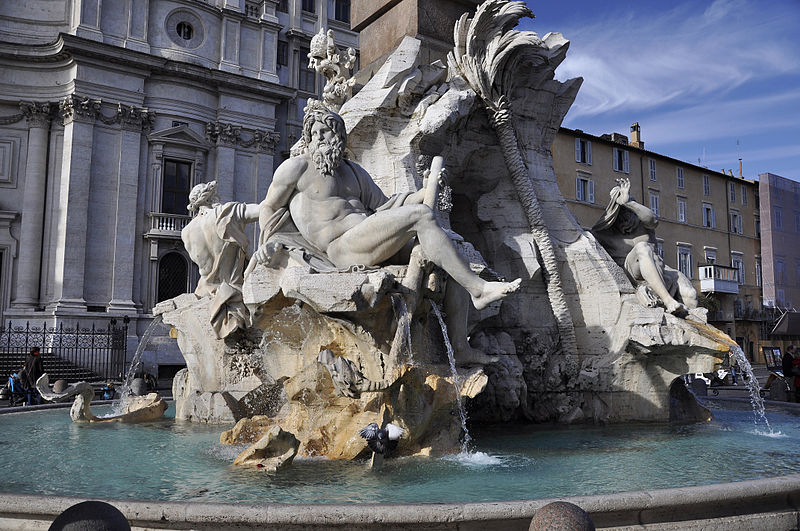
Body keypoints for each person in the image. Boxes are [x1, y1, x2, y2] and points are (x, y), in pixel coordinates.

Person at [252, 102, 521, 312]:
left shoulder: (354, 172)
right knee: (421, 214)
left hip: (368, 239)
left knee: (448, 249)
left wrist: (427, 190)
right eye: (314, 133)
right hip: (340, 248)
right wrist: (268, 242)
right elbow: (269, 207)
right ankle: (479, 290)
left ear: (339, 136)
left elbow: (386, 207)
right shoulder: (297, 167)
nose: (320, 138)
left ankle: (460, 346)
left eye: (326, 132)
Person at [591, 177, 697, 315]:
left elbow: (653, 219)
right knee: (643, 247)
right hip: (633, 273)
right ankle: (668, 300)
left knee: (691, 294)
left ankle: (691, 318)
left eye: (630, 212)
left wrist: (629, 202)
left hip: (661, 269)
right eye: (622, 212)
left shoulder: (644, 225)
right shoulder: (605, 234)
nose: (627, 216)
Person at [181, 181, 261, 338]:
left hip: (205, 294)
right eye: (216, 194)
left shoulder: (186, 232)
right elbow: (263, 210)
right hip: (235, 295)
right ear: (211, 198)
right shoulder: (226, 213)